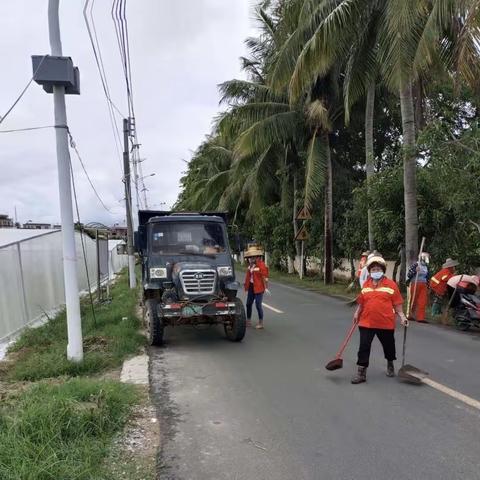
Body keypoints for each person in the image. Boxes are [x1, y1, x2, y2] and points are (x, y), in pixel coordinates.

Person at [351, 255, 408, 384]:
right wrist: (356, 312)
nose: (375, 272)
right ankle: (361, 372)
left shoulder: (391, 285)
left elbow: (397, 303)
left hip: (385, 323)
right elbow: (362, 301)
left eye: (378, 269)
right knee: (364, 346)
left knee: (389, 346)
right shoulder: (366, 284)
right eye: (373, 270)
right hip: (366, 321)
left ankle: (390, 363)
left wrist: (402, 317)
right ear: (369, 272)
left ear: (382, 270)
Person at [244, 245, 269, 329]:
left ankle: (261, 322)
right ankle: (248, 321)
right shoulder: (250, 266)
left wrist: (266, 287)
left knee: (258, 304)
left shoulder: (261, 265)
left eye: (253, 257)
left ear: (257, 257)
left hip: (259, 287)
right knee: (248, 304)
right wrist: (246, 287)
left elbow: (265, 277)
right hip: (251, 287)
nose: (251, 259)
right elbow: (248, 278)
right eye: (250, 257)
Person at [406, 252, 430, 323]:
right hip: (414, 283)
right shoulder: (416, 264)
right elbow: (409, 274)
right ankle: (410, 314)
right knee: (413, 300)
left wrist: (428, 285)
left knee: (422, 301)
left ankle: (420, 317)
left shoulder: (426, 267)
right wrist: (415, 271)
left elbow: (427, 276)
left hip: (423, 284)